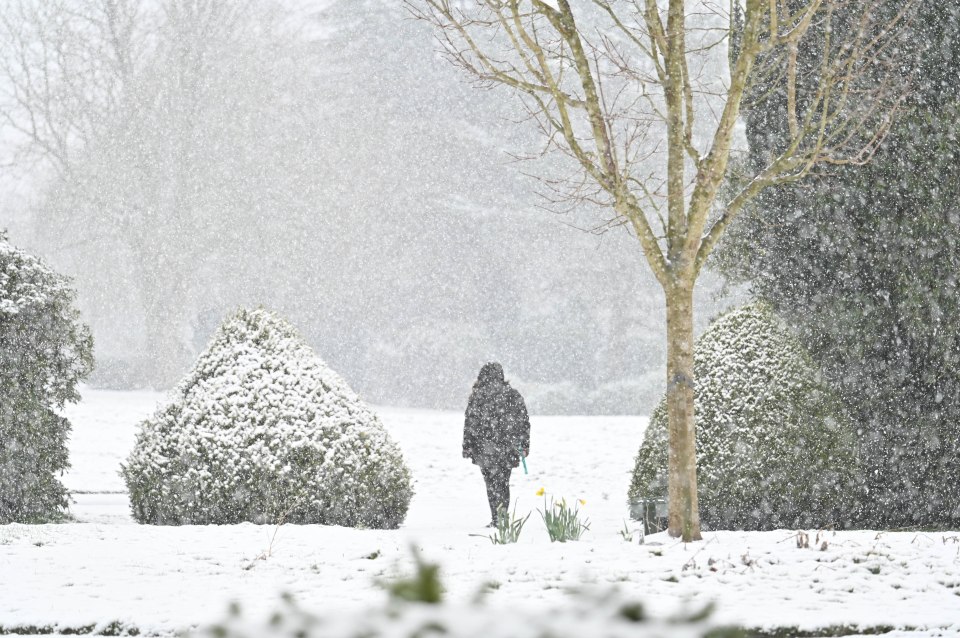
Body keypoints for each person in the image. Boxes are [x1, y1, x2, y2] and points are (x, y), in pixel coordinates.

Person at [462, 362, 531, 526]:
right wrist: (525, 444)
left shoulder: (478, 396)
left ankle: (496, 518)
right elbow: (524, 422)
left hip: (484, 448)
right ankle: (502, 517)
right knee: (503, 483)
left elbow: (470, 423)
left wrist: (467, 446)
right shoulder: (513, 395)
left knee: (491, 484)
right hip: (508, 447)